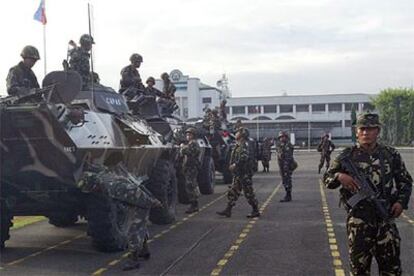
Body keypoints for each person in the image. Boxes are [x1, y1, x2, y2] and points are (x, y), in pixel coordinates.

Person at [323, 113, 412, 276]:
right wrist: (339, 176)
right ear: (356, 131)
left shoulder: (390, 154)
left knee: (391, 269)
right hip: (359, 222)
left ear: (377, 131)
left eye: (370, 129)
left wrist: (400, 202)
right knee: (359, 271)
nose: (366, 133)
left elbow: (405, 182)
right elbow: (327, 179)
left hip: (385, 221)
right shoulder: (346, 156)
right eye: (362, 129)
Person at [80, 154, 161, 271]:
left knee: (133, 230)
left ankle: (133, 259)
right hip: (130, 200)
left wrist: (152, 202)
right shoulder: (101, 177)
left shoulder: (112, 186)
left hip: (139, 202)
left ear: (94, 185)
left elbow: (135, 193)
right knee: (139, 226)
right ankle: (144, 251)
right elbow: (98, 168)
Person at [217, 127, 260, 218]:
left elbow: (244, 157)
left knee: (248, 193)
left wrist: (235, 165)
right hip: (238, 174)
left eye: (237, 132)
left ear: (242, 135)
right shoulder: (238, 145)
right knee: (233, 192)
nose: (235, 133)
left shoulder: (244, 145)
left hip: (244, 173)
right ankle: (228, 210)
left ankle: (255, 210)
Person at [180, 127, 201, 214]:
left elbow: (190, 152)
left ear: (193, 135)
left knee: (190, 185)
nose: (188, 136)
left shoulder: (193, 143)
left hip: (192, 167)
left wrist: (182, 147)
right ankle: (194, 204)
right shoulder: (190, 143)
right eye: (187, 134)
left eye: (189, 134)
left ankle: (194, 205)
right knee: (190, 185)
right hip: (189, 167)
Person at [276, 131, 295, 202]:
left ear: (286, 137)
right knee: (284, 180)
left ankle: (288, 195)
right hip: (282, 166)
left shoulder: (288, 145)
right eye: (280, 137)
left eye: (282, 137)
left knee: (287, 180)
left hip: (286, 166)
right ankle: (287, 194)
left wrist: (286, 167)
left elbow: (288, 157)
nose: (281, 138)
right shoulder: (281, 145)